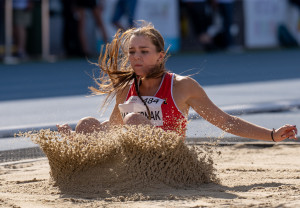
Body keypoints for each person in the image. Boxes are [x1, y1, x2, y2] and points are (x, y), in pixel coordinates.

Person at [57, 22, 298, 142]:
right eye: (131, 52)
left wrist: (272, 135)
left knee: (133, 119)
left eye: (143, 51)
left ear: (160, 56)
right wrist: (79, 139)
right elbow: (113, 129)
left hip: (168, 162)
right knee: (88, 123)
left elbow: (225, 121)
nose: (136, 57)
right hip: (133, 160)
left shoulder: (182, 86)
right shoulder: (126, 87)